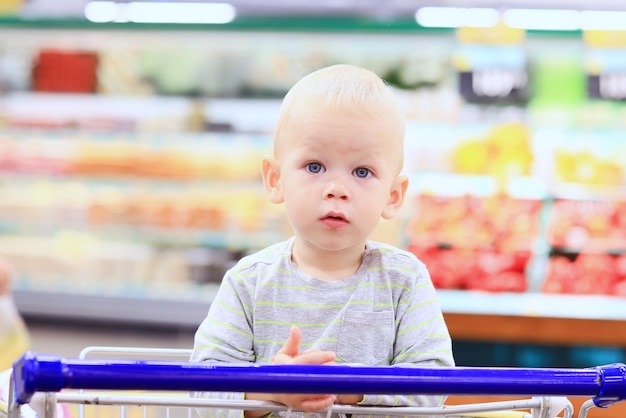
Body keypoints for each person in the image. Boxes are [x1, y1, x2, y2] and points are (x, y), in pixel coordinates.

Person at [190, 64, 455, 418]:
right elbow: (201, 393)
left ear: (393, 195)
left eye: (362, 172)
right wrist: (272, 391)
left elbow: (435, 385)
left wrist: (354, 389)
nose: (337, 189)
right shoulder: (248, 282)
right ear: (275, 179)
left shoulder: (404, 281)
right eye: (315, 166)